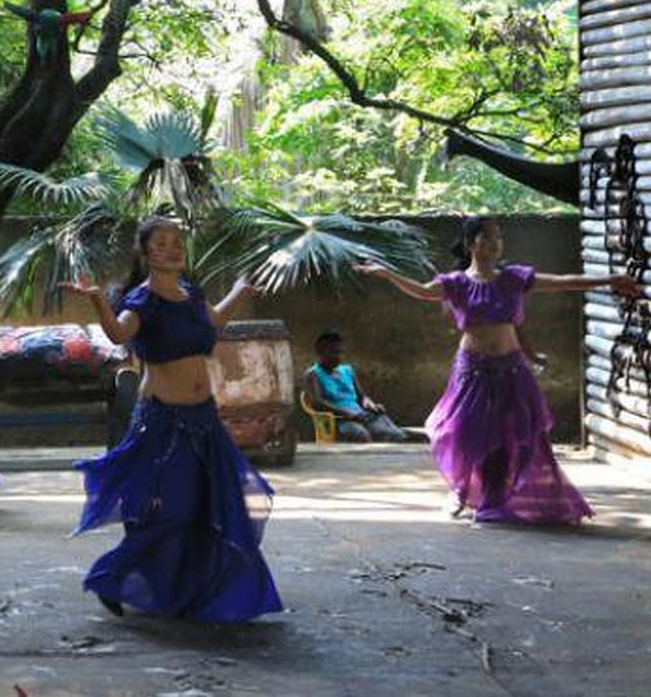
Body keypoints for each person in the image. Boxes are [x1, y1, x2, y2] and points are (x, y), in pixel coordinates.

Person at [64, 215, 283, 622]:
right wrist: (95, 298)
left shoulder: (191, 294)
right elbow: (117, 334)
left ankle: (192, 590)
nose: (172, 247)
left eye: (177, 241)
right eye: (161, 242)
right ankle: (112, 576)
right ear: (145, 253)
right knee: (172, 511)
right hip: (164, 422)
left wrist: (237, 291)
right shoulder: (141, 301)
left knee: (213, 507)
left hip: (204, 420)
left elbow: (212, 322)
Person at [358, 215, 639, 524]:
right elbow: (423, 291)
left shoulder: (514, 278)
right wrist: (386, 274)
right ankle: (461, 487)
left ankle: (494, 498)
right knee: (461, 431)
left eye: (498, 237)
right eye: (487, 237)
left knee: (512, 436)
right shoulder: (456, 283)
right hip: (472, 371)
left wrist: (609, 280)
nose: (494, 243)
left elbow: (563, 282)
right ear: (470, 243)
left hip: (512, 370)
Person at [304, 331, 409, 443]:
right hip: (339, 420)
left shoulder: (347, 370)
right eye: (333, 353)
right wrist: (345, 413)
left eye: (340, 352)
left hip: (361, 415)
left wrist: (371, 405)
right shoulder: (313, 374)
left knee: (396, 436)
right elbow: (317, 402)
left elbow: (362, 397)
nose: (338, 357)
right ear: (320, 352)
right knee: (362, 437)